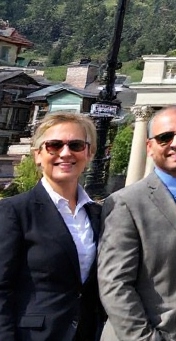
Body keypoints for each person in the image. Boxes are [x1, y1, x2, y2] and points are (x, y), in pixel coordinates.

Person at [97, 106, 176, 341]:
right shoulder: (125, 203)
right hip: (152, 334)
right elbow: (115, 284)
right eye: (165, 137)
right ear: (150, 147)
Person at [0, 111, 105, 341]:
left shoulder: (99, 215)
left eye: (76, 145)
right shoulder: (14, 212)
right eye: (54, 145)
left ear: (89, 153)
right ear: (38, 155)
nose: (65, 153)